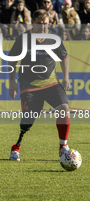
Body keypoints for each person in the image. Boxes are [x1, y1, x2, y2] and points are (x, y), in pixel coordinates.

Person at [8, 9, 71, 162]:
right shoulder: (23, 39)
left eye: (45, 24)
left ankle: (63, 146)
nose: (43, 27)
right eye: (39, 24)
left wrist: (66, 78)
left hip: (51, 83)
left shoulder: (53, 39)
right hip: (29, 85)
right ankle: (16, 147)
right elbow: (11, 60)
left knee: (64, 108)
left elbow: (64, 57)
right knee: (28, 121)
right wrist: (12, 83)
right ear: (33, 23)